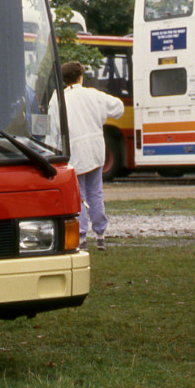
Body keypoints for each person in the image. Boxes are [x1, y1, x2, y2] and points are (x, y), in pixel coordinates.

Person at [58, 61, 124, 250]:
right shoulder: (93, 95)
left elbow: (54, 126)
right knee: (96, 192)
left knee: (79, 195)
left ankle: (81, 236)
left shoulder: (60, 98)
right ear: (81, 77)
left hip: (75, 151)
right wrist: (101, 116)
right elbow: (118, 107)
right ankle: (100, 234)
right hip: (95, 150)